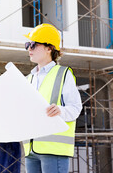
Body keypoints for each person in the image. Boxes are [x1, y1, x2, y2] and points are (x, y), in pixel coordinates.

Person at [22, 23, 82, 173]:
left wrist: (60, 110)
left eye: (34, 44)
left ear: (50, 48)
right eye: (27, 44)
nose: (29, 48)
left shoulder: (63, 74)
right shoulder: (28, 79)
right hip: (31, 150)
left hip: (53, 150)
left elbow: (75, 108)